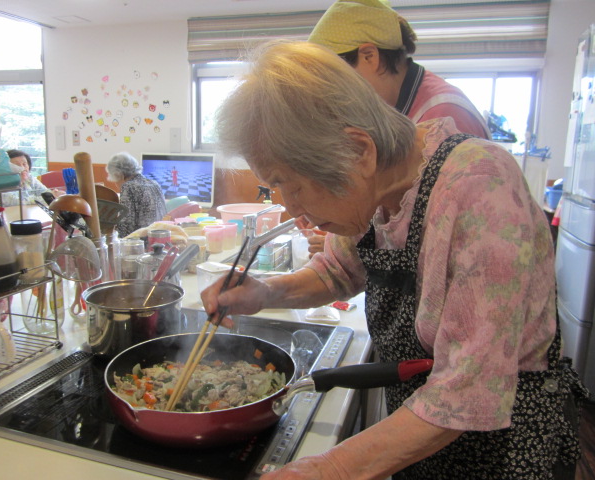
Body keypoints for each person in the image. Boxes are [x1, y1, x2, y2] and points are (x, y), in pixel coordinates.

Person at [203, 40, 588, 479]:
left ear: (359, 151)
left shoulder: (481, 188)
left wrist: (334, 468)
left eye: (289, 184)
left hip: (503, 447)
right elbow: (338, 271)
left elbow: (466, 391)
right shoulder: (376, 189)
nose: (291, 209)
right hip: (422, 432)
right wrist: (266, 291)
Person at [299, 0, 492, 255]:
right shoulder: (394, 112)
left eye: (336, 80)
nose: (334, 96)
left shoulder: (444, 114)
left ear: (369, 56)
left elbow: (443, 241)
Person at [106, 152, 167, 238]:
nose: (116, 184)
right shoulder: (154, 183)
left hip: (142, 242)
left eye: (115, 180)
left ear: (119, 175)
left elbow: (126, 224)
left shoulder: (128, 186)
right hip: (160, 237)